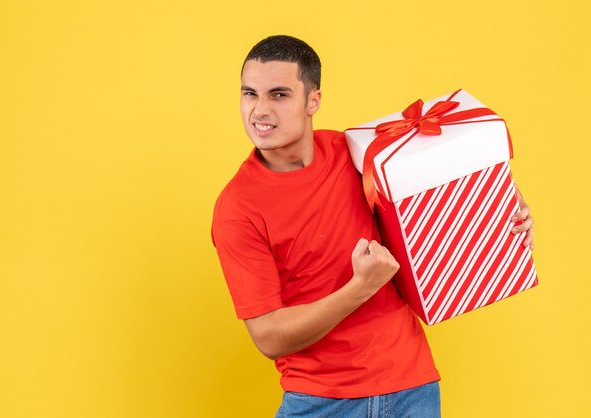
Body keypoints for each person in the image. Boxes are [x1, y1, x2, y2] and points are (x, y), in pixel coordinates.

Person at [211, 35, 535, 418]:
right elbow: (268, 337)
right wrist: (360, 288)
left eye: (278, 95)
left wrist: (501, 215)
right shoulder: (237, 209)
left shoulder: (359, 154)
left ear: (313, 100)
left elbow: (432, 209)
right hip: (319, 401)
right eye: (250, 94)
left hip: (411, 387)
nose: (260, 110)